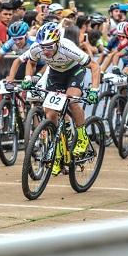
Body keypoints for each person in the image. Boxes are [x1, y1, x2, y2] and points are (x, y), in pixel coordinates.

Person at [16, 22, 101, 175]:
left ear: (57, 42)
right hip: (55, 74)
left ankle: (82, 137)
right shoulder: (37, 48)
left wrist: (95, 90)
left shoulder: (67, 47)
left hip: (74, 71)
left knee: (72, 101)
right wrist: (28, 78)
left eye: (49, 47)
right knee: (50, 113)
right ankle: (59, 150)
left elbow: (95, 66)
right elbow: (31, 62)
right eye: (43, 46)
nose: (45, 50)